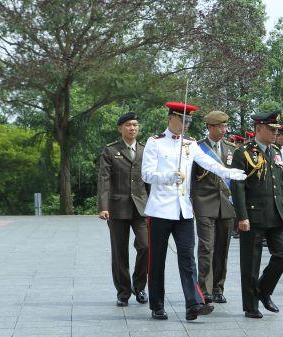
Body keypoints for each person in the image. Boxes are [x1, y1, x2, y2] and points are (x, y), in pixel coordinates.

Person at [141, 101, 246, 321]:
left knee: (188, 259)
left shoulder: (189, 143)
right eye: (182, 120)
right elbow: (146, 174)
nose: (186, 125)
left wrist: (228, 171)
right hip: (160, 210)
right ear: (171, 118)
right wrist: (166, 177)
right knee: (157, 260)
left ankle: (193, 303)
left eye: (188, 121)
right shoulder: (155, 142)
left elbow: (207, 162)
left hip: (184, 212)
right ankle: (157, 305)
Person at [230, 111, 283, 318]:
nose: (275, 133)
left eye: (276, 129)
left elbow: (278, 184)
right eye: (271, 129)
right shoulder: (244, 152)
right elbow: (238, 187)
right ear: (258, 129)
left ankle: (263, 291)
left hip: (276, 213)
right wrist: (242, 216)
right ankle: (251, 306)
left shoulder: (276, 151)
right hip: (254, 214)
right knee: (251, 261)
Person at [97, 112, 149, 307]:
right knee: (120, 251)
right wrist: (103, 207)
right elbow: (104, 180)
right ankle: (123, 291)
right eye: (128, 125)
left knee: (145, 246)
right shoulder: (110, 150)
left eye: (135, 124)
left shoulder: (145, 150)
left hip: (142, 208)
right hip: (117, 207)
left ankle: (140, 286)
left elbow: (150, 180)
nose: (132, 128)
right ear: (120, 128)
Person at [191, 110, 236, 305]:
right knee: (206, 247)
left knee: (222, 249)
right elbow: (191, 178)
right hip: (204, 204)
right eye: (220, 126)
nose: (224, 130)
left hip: (226, 205)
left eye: (225, 126)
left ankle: (218, 288)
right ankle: (205, 289)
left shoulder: (231, 149)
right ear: (210, 127)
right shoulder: (197, 148)